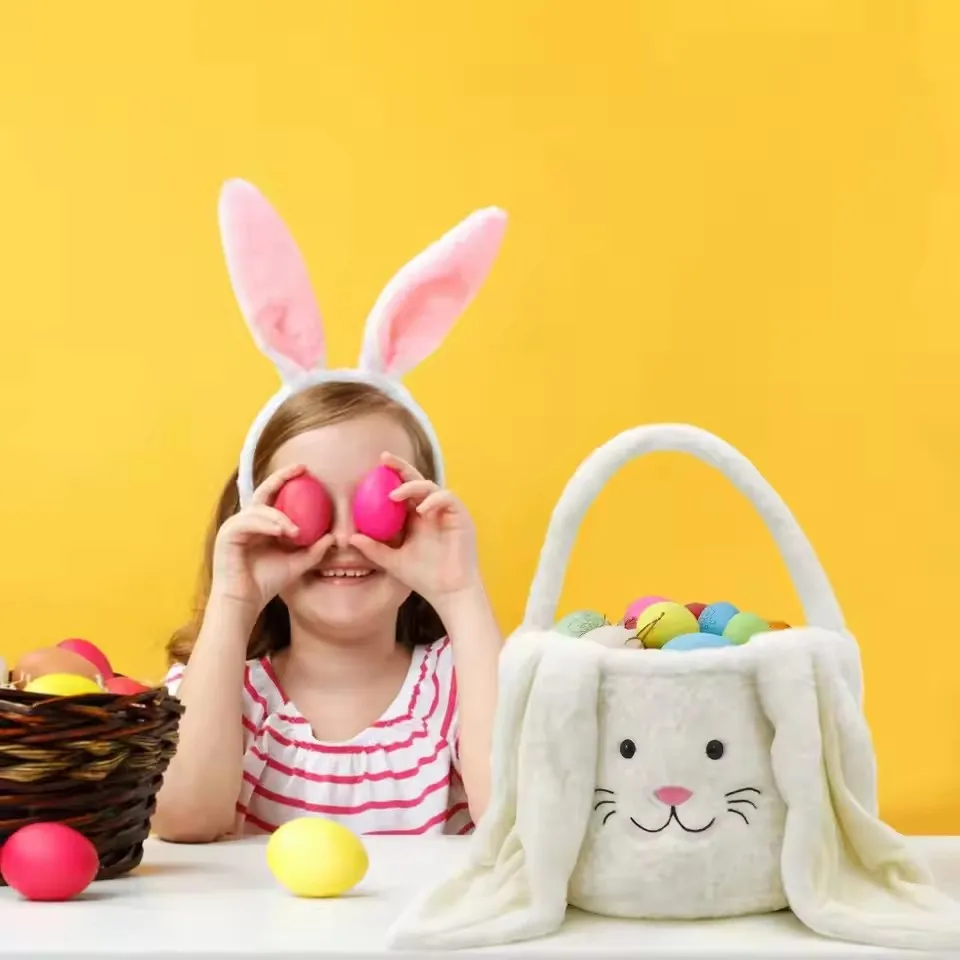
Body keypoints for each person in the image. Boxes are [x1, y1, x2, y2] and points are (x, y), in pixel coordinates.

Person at [153, 180, 508, 842]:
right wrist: (234, 603)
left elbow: (516, 822)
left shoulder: (463, 680)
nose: (344, 538)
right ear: (254, 519)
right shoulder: (222, 686)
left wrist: (461, 595)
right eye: (308, 505)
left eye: (381, 507)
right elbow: (184, 818)